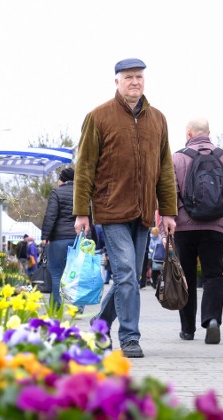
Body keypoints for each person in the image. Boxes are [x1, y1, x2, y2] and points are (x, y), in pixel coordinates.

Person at [73, 58, 178, 358]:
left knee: (130, 277)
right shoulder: (99, 116)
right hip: (111, 209)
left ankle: (99, 325)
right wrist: (82, 212)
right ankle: (130, 337)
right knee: (127, 273)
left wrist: (168, 212)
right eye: (129, 77)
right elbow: (85, 168)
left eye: (139, 77)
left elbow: (166, 169)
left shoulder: (158, 119)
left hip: (144, 212)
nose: (135, 82)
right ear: (117, 81)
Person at [170, 118, 223, 343]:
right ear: (209, 133)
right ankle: (212, 320)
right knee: (214, 274)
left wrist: (171, 220)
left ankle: (187, 329)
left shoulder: (178, 157)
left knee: (186, 277)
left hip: (184, 228)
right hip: (215, 227)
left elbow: (169, 193)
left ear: (188, 133)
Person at [40, 167, 94, 308]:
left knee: (56, 274)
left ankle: (56, 307)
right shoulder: (83, 194)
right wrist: (92, 238)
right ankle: (78, 307)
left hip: (59, 240)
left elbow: (50, 216)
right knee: (79, 274)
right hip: (79, 239)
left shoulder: (56, 193)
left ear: (62, 179)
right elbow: (90, 217)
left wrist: (45, 236)